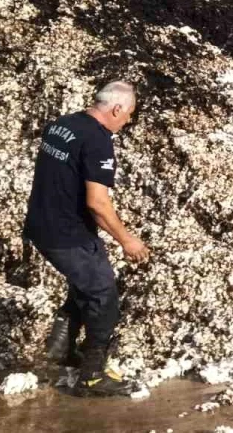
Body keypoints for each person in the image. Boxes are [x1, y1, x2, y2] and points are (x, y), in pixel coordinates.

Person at [23, 80, 150, 398]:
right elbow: (97, 202)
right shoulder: (97, 140)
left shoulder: (62, 125)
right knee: (104, 298)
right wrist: (126, 240)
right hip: (68, 234)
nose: (129, 120)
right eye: (129, 114)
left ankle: (61, 348)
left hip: (41, 226)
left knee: (87, 282)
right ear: (117, 108)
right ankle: (92, 376)